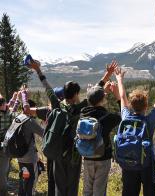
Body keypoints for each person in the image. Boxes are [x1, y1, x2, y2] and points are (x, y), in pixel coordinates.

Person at [28, 58, 118, 196]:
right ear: (76, 94)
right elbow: (94, 94)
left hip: (57, 152)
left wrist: (38, 69)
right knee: (72, 186)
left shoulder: (56, 104)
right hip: (73, 154)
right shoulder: (80, 108)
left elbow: (47, 87)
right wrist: (107, 75)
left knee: (59, 186)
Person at [114, 65, 155, 196]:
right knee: (149, 192)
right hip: (147, 163)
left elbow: (122, 97)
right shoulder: (149, 120)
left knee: (129, 192)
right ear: (146, 106)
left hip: (128, 162)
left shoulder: (125, 117)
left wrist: (119, 79)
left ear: (131, 105)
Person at [81, 81, 122, 196]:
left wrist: (100, 93)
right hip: (103, 157)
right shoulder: (107, 117)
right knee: (99, 190)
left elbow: (93, 101)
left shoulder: (83, 114)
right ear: (103, 100)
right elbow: (123, 114)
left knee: (87, 189)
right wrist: (118, 96)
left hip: (87, 155)